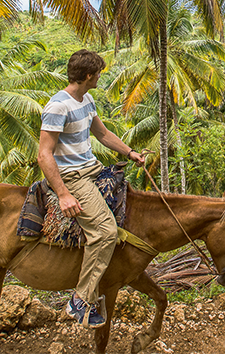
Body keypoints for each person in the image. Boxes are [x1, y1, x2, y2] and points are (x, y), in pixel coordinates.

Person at [38, 49, 145, 327]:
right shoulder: (58, 106)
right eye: (98, 73)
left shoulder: (86, 99)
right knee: (105, 232)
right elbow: (44, 155)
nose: (99, 77)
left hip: (92, 168)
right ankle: (80, 300)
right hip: (73, 177)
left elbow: (103, 134)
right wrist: (63, 194)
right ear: (88, 75)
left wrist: (129, 152)